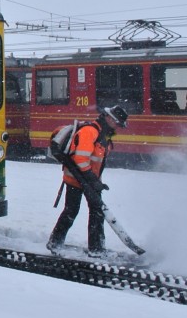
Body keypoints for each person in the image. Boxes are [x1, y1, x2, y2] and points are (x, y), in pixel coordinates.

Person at [47, 104, 129, 255]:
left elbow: (96, 163)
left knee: (96, 212)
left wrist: (97, 182)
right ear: (109, 118)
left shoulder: (103, 135)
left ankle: (96, 247)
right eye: (117, 124)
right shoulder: (90, 131)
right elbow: (80, 158)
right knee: (72, 211)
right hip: (75, 179)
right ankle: (56, 243)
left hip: (89, 180)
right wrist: (92, 179)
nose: (118, 127)